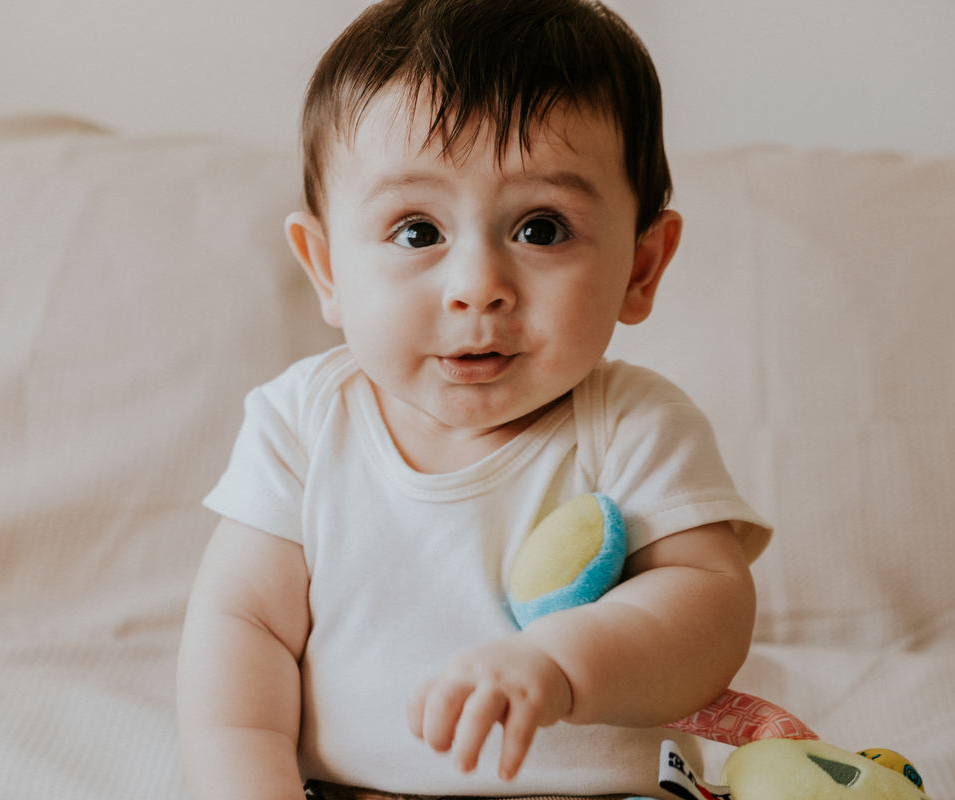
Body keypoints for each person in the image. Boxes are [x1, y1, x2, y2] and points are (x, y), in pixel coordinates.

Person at [177, 1, 771, 798]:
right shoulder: (303, 424)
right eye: (417, 231)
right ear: (325, 268)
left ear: (640, 266)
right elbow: (240, 630)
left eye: (542, 229)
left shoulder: (634, 425)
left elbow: (707, 614)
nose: (477, 288)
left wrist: (562, 665)